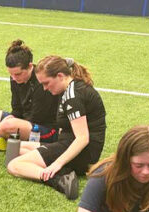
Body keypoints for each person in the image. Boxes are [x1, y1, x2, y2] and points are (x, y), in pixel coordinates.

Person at [7, 55, 106, 200]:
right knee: (18, 148)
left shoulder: (73, 97)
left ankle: (58, 179)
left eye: (46, 83)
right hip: (70, 145)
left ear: (60, 76)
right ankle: (68, 170)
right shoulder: (69, 88)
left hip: (82, 151)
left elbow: (83, 138)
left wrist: (56, 164)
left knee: (14, 165)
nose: (45, 88)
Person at [0, 39, 59, 150]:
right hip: (23, 120)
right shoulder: (14, 78)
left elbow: (36, 118)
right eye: (11, 74)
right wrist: (11, 117)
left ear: (30, 66)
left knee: (6, 126)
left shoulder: (41, 82)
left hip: (43, 127)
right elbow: (17, 109)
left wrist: (2, 124)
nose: (14, 78)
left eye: (18, 74)